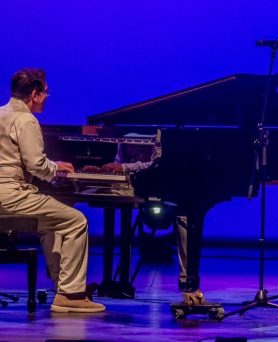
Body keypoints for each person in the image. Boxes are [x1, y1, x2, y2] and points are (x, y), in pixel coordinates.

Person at [0, 68, 105, 313]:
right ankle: (70, 294)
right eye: (46, 92)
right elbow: (36, 163)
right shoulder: (26, 119)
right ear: (35, 94)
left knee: (53, 223)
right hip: (10, 195)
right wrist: (56, 169)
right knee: (76, 220)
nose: (47, 97)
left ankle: (63, 286)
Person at [88, 143, 188, 291]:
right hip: (134, 183)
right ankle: (110, 281)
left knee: (184, 213)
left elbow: (158, 165)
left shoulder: (160, 136)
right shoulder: (122, 133)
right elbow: (119, 161)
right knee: (112, 202)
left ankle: (187, 278)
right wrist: (104, 171)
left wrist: (124, 168)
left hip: (158, 182)